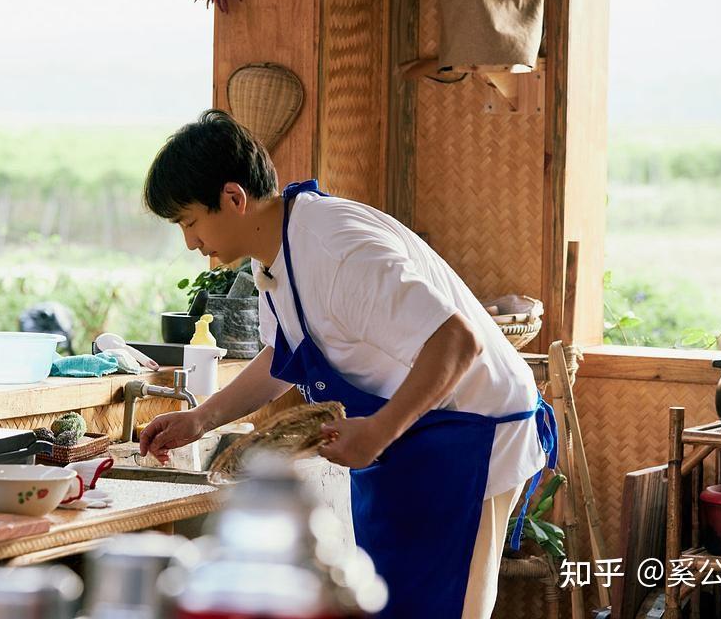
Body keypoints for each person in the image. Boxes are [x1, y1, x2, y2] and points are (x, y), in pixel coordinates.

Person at [139, 109, 557, 619]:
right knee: (392, 603)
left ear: (233, 198)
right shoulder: (272, 255)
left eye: (189, 221)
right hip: (414, 433)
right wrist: (199, 419)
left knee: (446, 605)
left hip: (470, 432)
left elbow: (456, 342)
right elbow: (281, 359)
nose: (190, 241)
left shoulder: (337, 250)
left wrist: (378, 431)